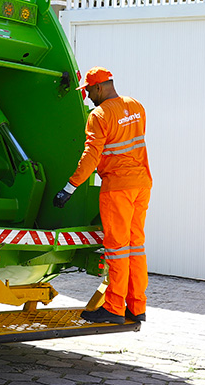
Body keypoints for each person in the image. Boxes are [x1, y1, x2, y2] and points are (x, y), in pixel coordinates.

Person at [54, 67, 152, 325]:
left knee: (118, 250)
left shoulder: (99, 115)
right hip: (141, 184)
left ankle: (113, 308)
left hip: (118, 187)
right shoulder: (136, 106)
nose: (86, 97)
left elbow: (91, 156)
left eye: (87, 91)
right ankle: (137, 307)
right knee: (135, 248)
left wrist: (69, 188)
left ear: (99, 87)